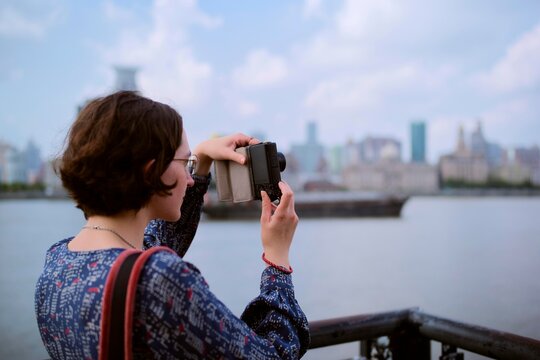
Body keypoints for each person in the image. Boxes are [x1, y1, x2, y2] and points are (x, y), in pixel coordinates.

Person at [35, 91, 310, 359]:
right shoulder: (160, 281)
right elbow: (274, 354)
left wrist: (201, 159)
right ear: (151, 171)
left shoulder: (58, 261)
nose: (190, 179)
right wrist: (277, 261)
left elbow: (150, 252)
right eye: (185, 163)